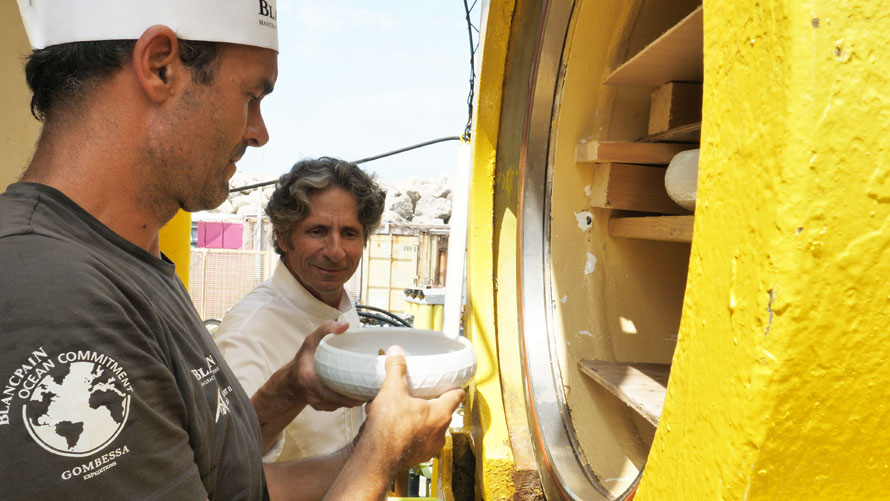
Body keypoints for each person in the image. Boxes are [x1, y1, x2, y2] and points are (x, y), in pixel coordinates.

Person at [0, 2, 464, 499]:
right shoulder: (54, 299)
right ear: (161, 66)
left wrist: (291, 392)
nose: (259, 133)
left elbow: (224, 480)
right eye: (251, 95)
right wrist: (383, 452)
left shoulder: (134, 265)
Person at [215, 157, 385, 463]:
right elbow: (229, 463)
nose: (335, 252)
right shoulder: (248, 333)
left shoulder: (341, 309)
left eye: (349, 233)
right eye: (317, 231)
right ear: (282, 236)